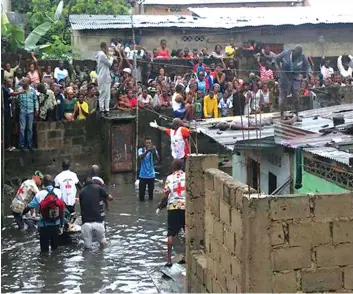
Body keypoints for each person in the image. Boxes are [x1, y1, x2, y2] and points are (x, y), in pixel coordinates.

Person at [156, 159, 186, 266]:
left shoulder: (169, 178)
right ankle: (187, 256)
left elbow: (166, 194)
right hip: (185, 207)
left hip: (173, 207)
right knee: (187, 231)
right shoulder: (187, 176)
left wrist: (160, 205)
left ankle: (168, 260)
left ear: (173, 167)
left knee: (170, 233)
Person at [26, 174, 65, 253]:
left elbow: (29, 206)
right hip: (56, 225)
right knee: (55, 250)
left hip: (44, 226)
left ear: (43, 183)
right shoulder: (59, 192)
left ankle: (45, 264)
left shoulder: (39, 194)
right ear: (52, 182)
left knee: (44, 251)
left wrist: (22, 213)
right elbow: (63, 207)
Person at [276, 45, 310, 120]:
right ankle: (282, 116)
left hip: (295, 79)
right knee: (282, 99)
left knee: (296, 98)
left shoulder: (302, 57)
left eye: (298, 55)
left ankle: (297, 115)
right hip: (285, 78)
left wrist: (304, 75)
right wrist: (278, 68)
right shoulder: (286, 53)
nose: (296, 56)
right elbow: (276, 59)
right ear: (293, 51)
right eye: (296, 54)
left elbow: (306, 67)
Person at [79, 177, 112, 249]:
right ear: (92, 182)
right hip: (98, 221)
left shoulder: (81, 192)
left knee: (87, 247)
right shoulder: (98, 188)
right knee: (103, 241)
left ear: (84, 183)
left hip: (86, 223)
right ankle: (103, 257)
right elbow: (110, 198)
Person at [137, 137, 159, 202]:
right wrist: (147, 151)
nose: (148, 144)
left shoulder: (153, 150)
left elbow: (157, 159)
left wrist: (154, 151)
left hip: (151, 176)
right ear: (144, 143)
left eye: (149, 143)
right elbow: (140, 157)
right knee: (141, 196)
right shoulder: (141, 150)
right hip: (142, 176)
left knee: (151, 196)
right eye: (147, 143)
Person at [18, 82, 38, 151]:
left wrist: (36, 109)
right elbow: (17, 100)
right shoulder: (19, 90)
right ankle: (21, 144)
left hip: (30, 111)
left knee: (29, 129)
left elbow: (35, 100)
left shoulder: (32, 90)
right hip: (22, 111)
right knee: (22, 128)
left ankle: (29, 144)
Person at [96, 42, 114, 117]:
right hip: (102, 77)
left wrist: (109, 56)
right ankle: (102, 110)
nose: (107, 49)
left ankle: (107, 110)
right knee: (102, 94)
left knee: (107, 95)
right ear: (103, 47)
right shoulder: (101, 54)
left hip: (107, 77)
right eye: (106, 47)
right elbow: (109, 63)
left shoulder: (103, 55)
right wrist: (112, 57)